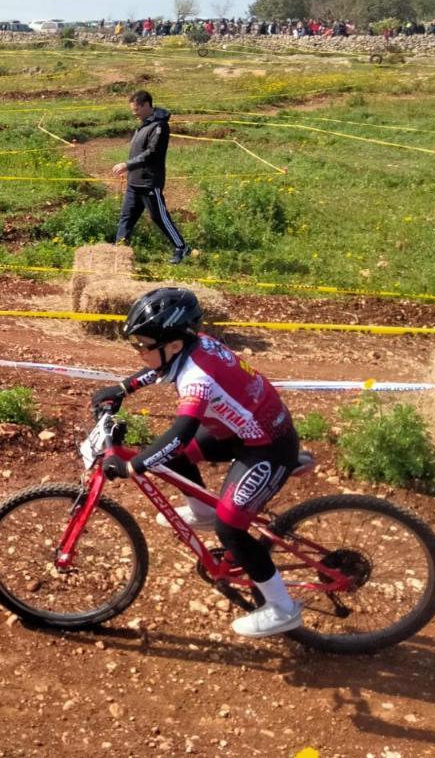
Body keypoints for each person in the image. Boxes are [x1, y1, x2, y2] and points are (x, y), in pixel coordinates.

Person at [89, 287, 307, 637]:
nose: (139, 351)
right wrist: (123, 387)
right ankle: (202, 512)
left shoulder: (197, 377)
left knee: (230, 526)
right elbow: (160, 371)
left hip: (267, 445)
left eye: (144, 344)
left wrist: (134, 466)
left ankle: (283, 608)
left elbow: (180, 432)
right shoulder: (192, 344)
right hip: (243, 430)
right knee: (172, 460)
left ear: (173, 343)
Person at [112, 90, 190, 264]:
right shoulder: (144, 123)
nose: (134, 113)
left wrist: (127, 165)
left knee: (159, 217)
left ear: (147, 105)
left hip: (149, 182)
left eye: (136, 109)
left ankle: (182, 247)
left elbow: (152, 153)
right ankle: (119, 251)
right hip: (135, 181)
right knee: (127, 217)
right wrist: (130, 169)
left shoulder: (159, 126)